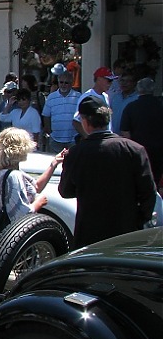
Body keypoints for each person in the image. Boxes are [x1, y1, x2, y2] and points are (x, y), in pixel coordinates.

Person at [59, 96, 156, 249]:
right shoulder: (134, 150)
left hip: (89, 234)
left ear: (85, 121)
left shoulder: (76, 153)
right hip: (126, 232)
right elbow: (148, 193)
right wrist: (139, 221)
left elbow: (65, 191)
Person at [0, 127, 63, 222]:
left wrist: (54, 163)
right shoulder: (14, 176)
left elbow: (36, 186)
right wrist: (39, 203)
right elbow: (21, 214)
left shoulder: (4, 171)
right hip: (17, 232)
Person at [120, 77, 163, 189]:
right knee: (156, 182)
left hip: (138, 151)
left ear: (139, 90)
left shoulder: (131, 107)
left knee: (139, 183)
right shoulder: (160, 106)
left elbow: (125, 132)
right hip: (159, 152)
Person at [41, 70, 81, 153]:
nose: (63, 85)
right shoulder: (51, 97)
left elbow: (82, 116)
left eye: (66, 83)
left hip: (73, 139)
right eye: (61, 82)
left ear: (71, 83)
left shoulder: (78, 97)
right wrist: (50, 132)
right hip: (55, 139)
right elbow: (46, 115)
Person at [73, 66, 117, 138]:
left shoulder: (106, 96)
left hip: (106, 138)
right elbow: (76, 121)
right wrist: (88, 138)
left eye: (111, 81)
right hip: (95, 141)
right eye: (108, 80)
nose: (110, 84)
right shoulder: (87, 97)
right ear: (99, 79)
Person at [108, 70, 138, 135]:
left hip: (129, 137)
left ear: (134, 83)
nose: (124, 83)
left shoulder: (137, 99)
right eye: (122, 80)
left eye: (128, 81)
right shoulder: (115, 97)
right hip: (113, 136)